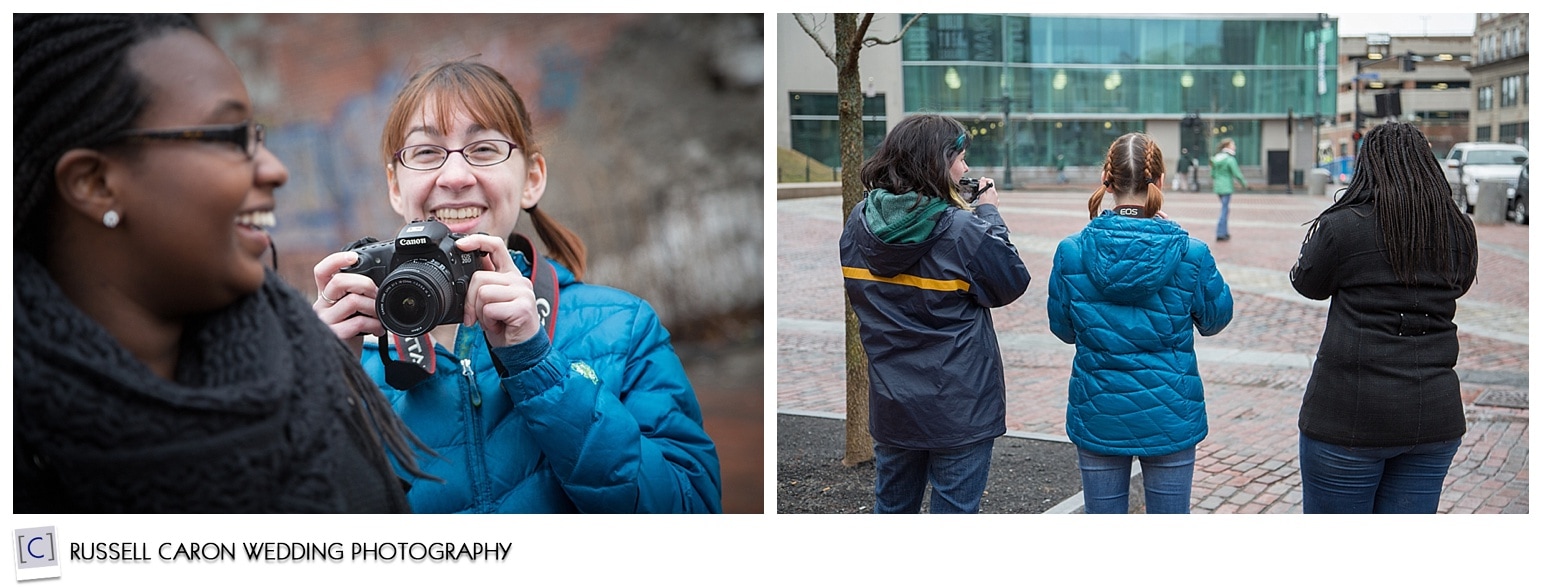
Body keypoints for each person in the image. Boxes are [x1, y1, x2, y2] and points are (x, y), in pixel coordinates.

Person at [12, 13, 426, 513]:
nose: (274, 169)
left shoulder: (307, 390)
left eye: (256, 136)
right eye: (227, 138)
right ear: (94, 183)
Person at [311, 60, 722, 513]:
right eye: (426, 153)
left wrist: (537, 364)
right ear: (395, 186)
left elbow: (691, 512)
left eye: (484, 149)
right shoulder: (355, 352)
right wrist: (317, 391)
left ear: (532, 179)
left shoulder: (624, 330)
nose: (454, 177)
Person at [839, 114, 1032, 514]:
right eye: (960, 159)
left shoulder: (857, 222)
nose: (966, 169)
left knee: (893, 509)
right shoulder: (961, 229)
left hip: (893, 401)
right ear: (937, 163)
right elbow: (1009, 282)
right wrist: (989, 214)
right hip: (959, 407)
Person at [1289, 121, 1478, 514]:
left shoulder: (1343, 226)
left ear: (1366, 167)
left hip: (1349, 416)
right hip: (1433, 414)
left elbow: (1308, 283)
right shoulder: (1458, 230)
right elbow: (1459, 285)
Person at [1047, 132, 1233, 514]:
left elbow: (1063, 329)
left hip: (1099, 408)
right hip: (1171, 410)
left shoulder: (1072, 251)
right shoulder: (1189, 252)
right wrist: (1171, 237)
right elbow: (1216, 319)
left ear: (1106, 179)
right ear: (1160, 181)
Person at [1210, 138, 1247, 241]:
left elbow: (1212, 174)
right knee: (1224, 210)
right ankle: (1221, 233)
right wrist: (1244, 184)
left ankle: (1224, 232)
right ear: (1227, 146)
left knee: (1225, 209)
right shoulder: (1230, 159)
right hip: (1226, 187)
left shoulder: (1216, 158)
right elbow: (1237, 174)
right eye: (1233, 144)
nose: (1234, 146)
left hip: (1218, 187)